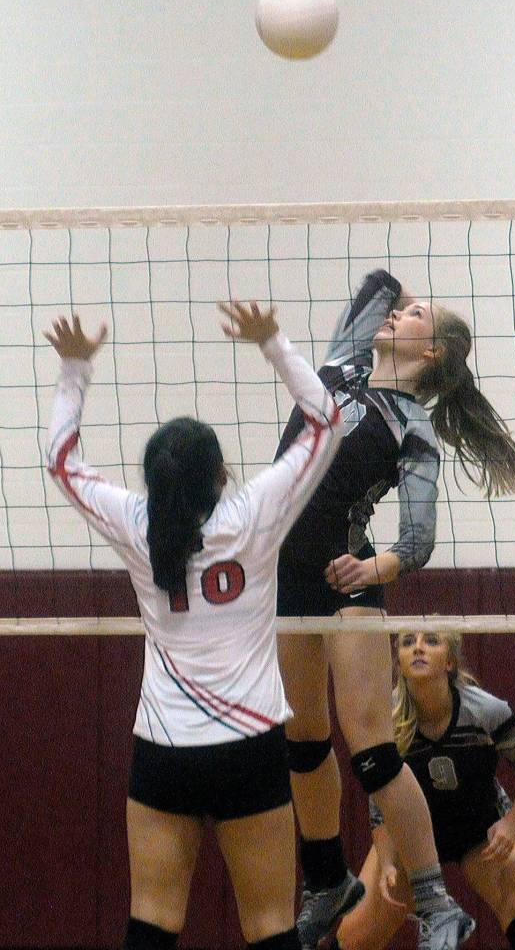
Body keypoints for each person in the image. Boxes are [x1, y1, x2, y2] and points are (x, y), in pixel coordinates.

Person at [43, 304, 343, 950]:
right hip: (249, 744)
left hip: (164, 747)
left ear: (152, 480)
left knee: (151, 919)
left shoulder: (134, 523)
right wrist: (273, 344)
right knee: (270, 925)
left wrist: (74, 370)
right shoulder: (255, 515)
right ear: (220, 474)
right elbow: (327, 420)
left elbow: (61, 461)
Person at [275, 270, 515, 950]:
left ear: (436, 351)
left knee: (370, 745)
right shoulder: (339, 367)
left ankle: (435, 899)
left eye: (417, 316)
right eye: (406, 310)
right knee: (301, 740)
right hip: (282, 578)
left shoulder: (411, 427)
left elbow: (418, 539)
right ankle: (328, 882)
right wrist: (401, 301)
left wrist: (374, 566)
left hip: (345, 580)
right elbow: (375, 285)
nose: (398, 315)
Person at [336, 630, 515, 950]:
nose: (417, 648)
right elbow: (381, 799)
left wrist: (510, 824)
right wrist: (387, 861)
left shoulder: (486, 711)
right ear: (398, 661)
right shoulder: (387, 719)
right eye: (408, 643)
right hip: (410, 835)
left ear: (449, 661)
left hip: (480, 830)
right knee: (354, 937)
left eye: (431, 642)